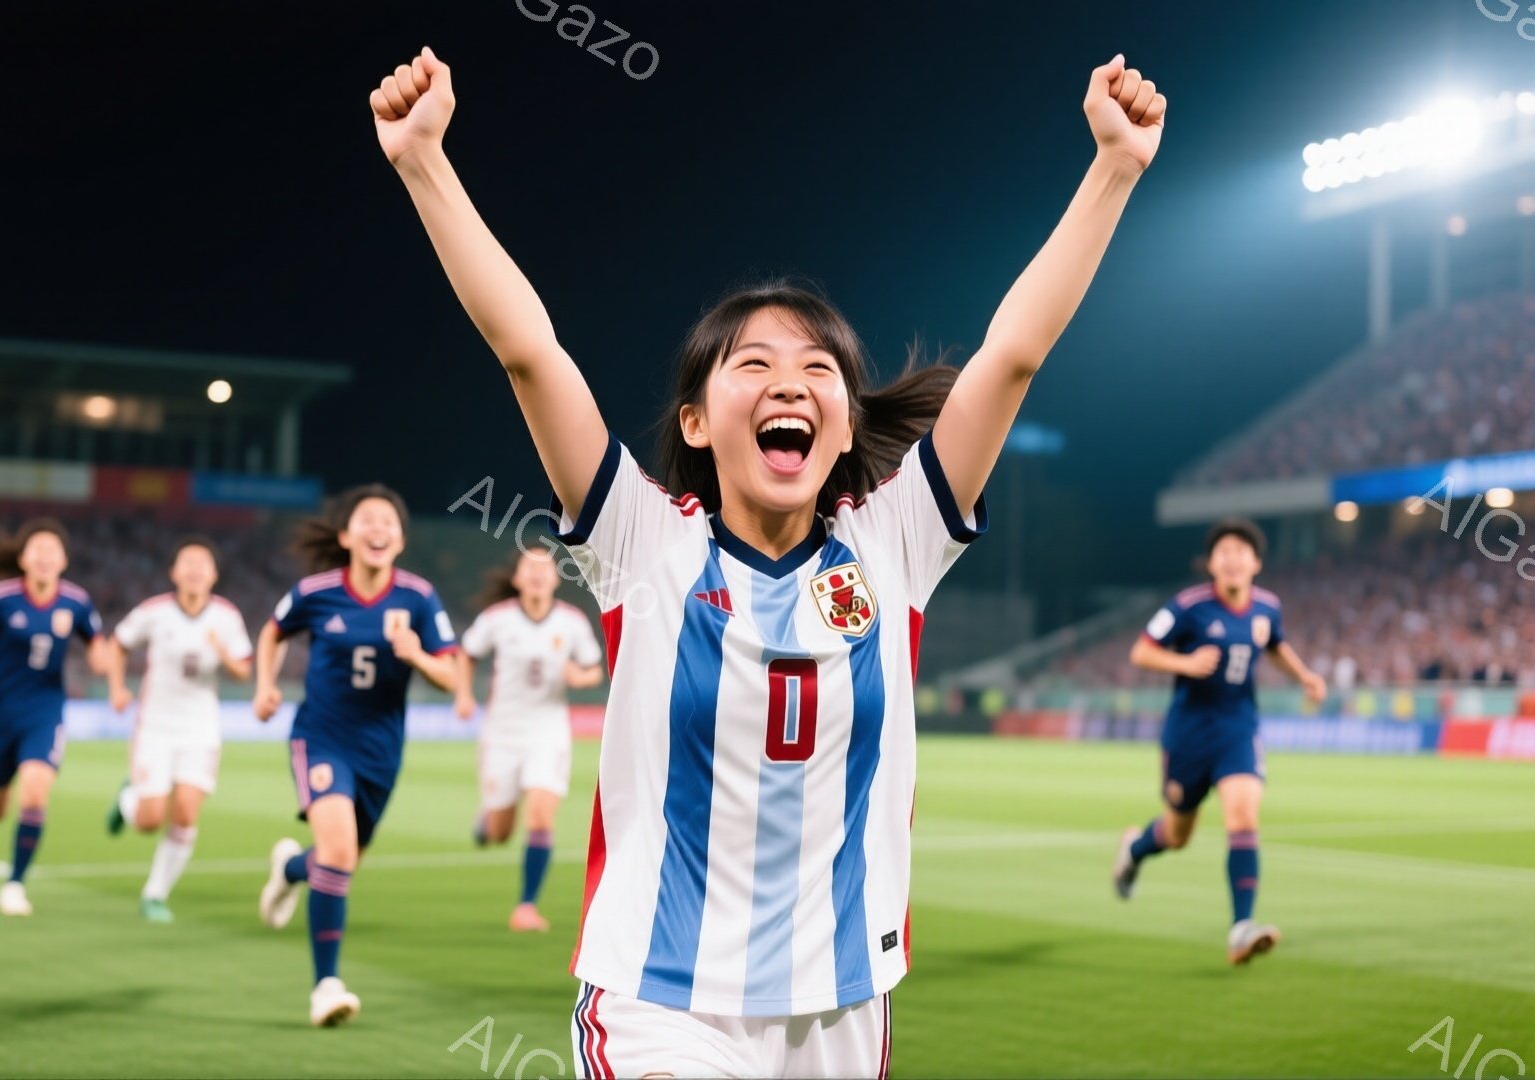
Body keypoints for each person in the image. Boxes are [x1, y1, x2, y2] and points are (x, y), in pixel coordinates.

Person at [372, 45, 1165, 1076]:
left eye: (819, 370)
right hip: (662, 1002)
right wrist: (424, 162)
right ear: (698, 422)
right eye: (754, 365)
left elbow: (1010, 355)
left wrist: (1114, 168)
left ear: (840, 428)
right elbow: (530, 350)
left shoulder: (893, 546)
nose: (791, 384)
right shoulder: (644, 546)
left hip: (841, 1008)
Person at [252, 484, 460, 1027]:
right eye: (366, 520)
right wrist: (265, 685)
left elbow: (452, 671)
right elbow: (272, 633)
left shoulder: (417, 597)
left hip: (381, 752)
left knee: (336, 862)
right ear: (345, 535)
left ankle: (289, 868)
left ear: (400, 539)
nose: (378, 529)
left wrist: (416, 654)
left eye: (388, 522)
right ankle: (326, 986)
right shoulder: (315, 592)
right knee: (339, 853)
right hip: (321, 737)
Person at [1114, 518, 1327, 965]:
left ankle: (1240, 929)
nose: (1231, 560)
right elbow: (1141, 650)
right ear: (1211, 564)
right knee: (1176, 835)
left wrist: (1305, 676)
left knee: (1243, 814)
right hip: (1189, 735)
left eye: (1240, 552)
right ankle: (1133, 850)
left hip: (1238, 729)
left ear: (1256, 563)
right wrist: (1186, 663)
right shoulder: (1188, 606)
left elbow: (1275, 646)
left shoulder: (1267, 607)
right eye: (1223, 553)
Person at [0, 518, 108, 917]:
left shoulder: (76, 601)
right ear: (23, 559)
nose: (44, 557)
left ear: (64, 561)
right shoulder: (0, 597)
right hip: (0, 711)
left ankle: (15, 884)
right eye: (37, 550)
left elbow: (97, 643)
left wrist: (101, 660)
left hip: (45, 711)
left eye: (52, 551)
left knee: (36, 793)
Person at [454, 545, 603, 932]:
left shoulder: (571, 623)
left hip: (548, 730)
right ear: (518, 579)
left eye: (545, 568)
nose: (537, 574)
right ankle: (487, 822)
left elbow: (593, 671)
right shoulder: (497, 619)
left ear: (556, 579)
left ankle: (526, 906)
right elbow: (466, 654)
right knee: (500, 833)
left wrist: (578, 677)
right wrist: (464, 694)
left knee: (539, 815)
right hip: (502, 731)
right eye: (529, 568)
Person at [104, 538, 253, 923]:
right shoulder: (154, 613)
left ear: (213, 575)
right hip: (156, 724)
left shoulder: (226, 617)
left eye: (202, 564)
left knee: (186, 813)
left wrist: (223, 655)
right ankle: (127, 801)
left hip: (200, 726)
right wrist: (117, 687)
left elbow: (243, 670)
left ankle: (155, 894)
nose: (194, 570)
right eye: (187, 563)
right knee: (149, 820)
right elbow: (117, 645)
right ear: (174, 572)